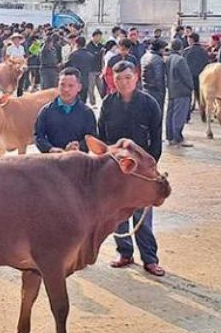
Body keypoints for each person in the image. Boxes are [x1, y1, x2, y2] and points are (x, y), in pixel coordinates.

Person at [99, 61, 165, 276]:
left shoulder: (149, 104)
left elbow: (156, 138)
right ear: (113, 80)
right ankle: (124, 252)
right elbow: (102, 136)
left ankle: (150, 259)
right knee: (119, 214)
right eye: (118, 79)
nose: (123, 82)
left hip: (141, 171)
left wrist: (149, 168)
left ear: (136, 77)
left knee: (142, 216)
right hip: (116, 168)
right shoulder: (108, 103)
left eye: (127, 77)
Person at [34, 68, 97, 153]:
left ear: (79, 87)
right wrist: (50, 149)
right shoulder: (46, 111)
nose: (66, 89)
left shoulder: (86, 112)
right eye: (62, 85)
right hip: (53, 160)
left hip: (78, 160)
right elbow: (38, 136)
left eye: (71, 86)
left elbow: (92, 137)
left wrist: (79, 146)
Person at [165, 41, 194, 147]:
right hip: (182, 91)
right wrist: (191, 87)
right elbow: (186, 77)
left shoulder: (168, 59)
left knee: (170, 114)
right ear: (181, 48)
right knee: (179, 116)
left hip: (172, 90)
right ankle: (178, 137)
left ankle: (170, 136)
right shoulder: (180, 60)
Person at [182, 33, 209, 117]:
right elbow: (207, 63)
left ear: (191, 40)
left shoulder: (186, 51)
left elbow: (183, 65)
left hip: (189, 76)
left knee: (188, 96)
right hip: (201, 76)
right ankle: (203, 114)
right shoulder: (204, 51)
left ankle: (187, 115)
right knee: (201, 95)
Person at [65, 37, 97, 104]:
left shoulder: (73, 55)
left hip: (74, 81)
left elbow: (67, 68)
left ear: (76, 44)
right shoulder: (90, 56)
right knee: (83, 102)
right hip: (86, 81)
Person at [140, 40, 167, 111]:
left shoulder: (144, 56)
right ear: (160, 49)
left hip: (145, 88)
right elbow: (158, 77)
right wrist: (162, 91)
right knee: (157, 112)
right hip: (156, 91)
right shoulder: (157, 59)